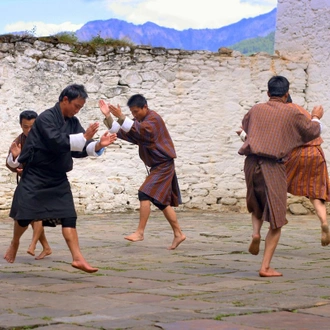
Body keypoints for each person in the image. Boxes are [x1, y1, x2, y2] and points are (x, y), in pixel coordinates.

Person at [4, 84, 117, 273]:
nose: (77, 110)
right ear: (65, 100)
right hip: (35, 175)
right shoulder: (45, 118)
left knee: (69, 216)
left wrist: (97, 145)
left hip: (58, 177)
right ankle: (15, 243)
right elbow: (56, 142)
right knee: (25, 217)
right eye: (76, 106)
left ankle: (78, 258)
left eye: (80, 107)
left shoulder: (73, 122)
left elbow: (80, 147)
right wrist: (84, 137)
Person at [238, 76, 323, 277]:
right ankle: (265, 267)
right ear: (286, 94)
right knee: (277, 219)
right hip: (272, 165)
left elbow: (246, 129)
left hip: (250, 163)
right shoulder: (292, 112)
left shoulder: (256, 109)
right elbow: (313, 131)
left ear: (268, 93)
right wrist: (316, 116)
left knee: (256, 203)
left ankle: (255, 233)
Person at [98, 94, 186, 250]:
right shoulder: (140, 122)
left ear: (145, 107)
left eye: (137, 111)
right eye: (132, 113)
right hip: (158, 166)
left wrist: (122, 117)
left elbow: (142, 130)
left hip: (163, 164)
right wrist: (109, 116)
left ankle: (140, 232)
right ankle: (179, 234)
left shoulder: (153, 120)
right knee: (160, 201)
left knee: (144, 193)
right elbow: (126, 132)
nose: (135, 115)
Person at [6, 110, 52, 260]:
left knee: (35, 214)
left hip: (43, 182)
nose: (29, 130)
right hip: (26, 183)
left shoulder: (47, 138)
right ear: (21, 126)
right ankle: (46, 247)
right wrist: (15, 157)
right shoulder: (19, 141)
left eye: (32, 126)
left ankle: (32, 244)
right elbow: (11, 163)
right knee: (29, 215)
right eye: (26, 127)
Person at [285, 97, 330, 246]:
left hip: (296, 154)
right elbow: (319, 129)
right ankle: (324, 222)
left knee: (278, 182)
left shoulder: (282, 113)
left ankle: (274, 219)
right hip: (316, 153)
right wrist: (315, 117)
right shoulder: (301, 111)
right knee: (316, 193)